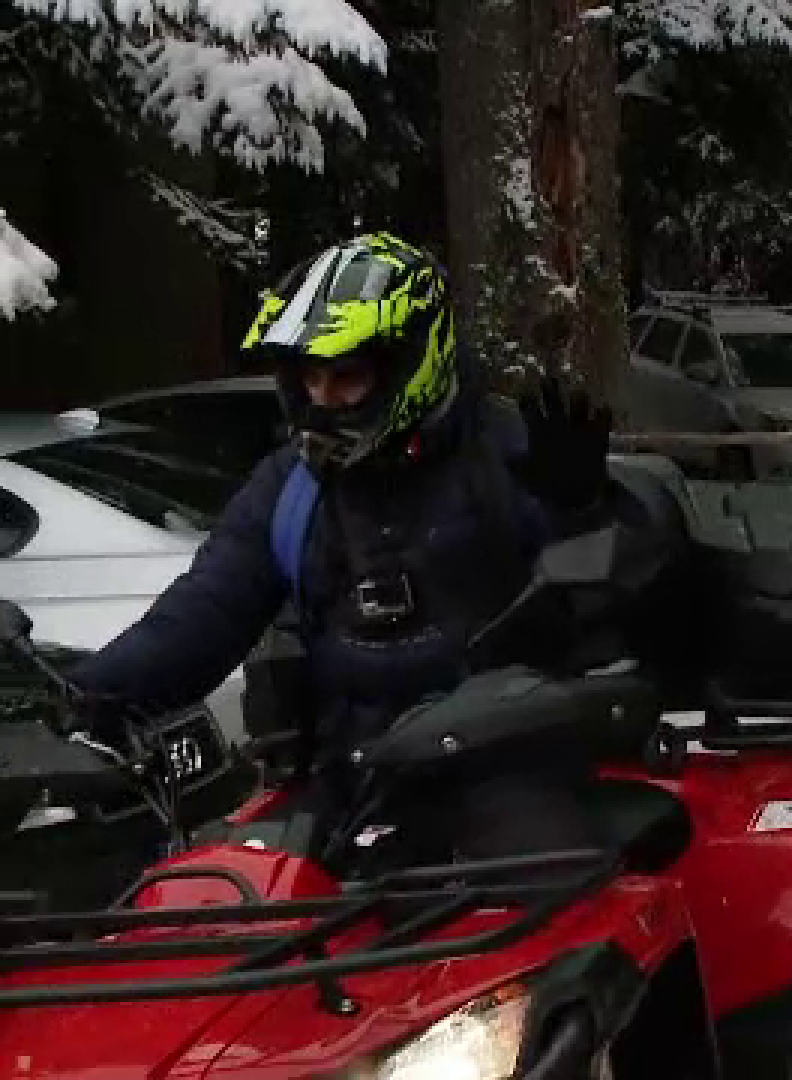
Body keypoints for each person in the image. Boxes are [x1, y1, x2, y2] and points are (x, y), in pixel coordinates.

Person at [67, 232, 618, 863]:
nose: (322, 403)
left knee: (547, 914)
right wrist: (84, 701)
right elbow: (205, 610)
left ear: (411, 364)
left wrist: (585, 510)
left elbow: (607, 612)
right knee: (227, 897)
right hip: (350, 784)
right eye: (311, 380)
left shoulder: (507, 457)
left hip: (503, 776)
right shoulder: (293, 487)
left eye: (347, 378)